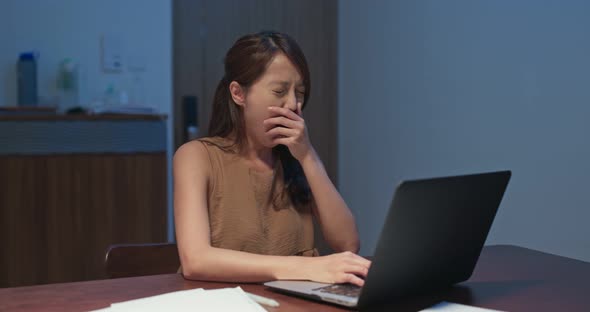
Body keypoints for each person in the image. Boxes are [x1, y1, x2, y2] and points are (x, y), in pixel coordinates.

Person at [174, 31, 371, 287]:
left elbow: (348, 243)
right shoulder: (196, 157)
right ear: (238, 94)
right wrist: (307, 267)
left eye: (299, 93)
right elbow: (196, 260)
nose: (292, 104)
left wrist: (309, 156)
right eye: (279, 91)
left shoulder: (296, 158)